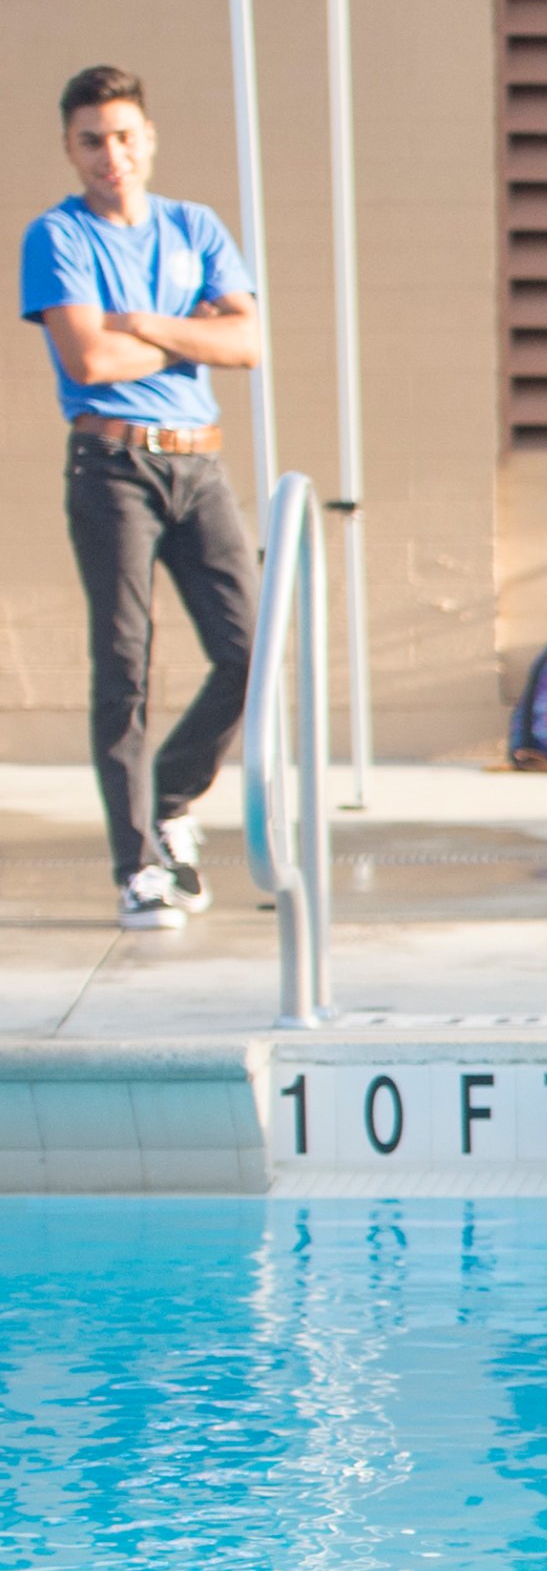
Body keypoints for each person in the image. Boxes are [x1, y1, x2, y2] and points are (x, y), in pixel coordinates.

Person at [19, 65, 260, 933]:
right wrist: (192, 336)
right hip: (112, 467)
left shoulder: (195, 227)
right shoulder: (57, 237)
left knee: (251, 648)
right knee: (125, 664)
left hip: (200, 466)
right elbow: (88, 362)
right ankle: (137, 867)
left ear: (149, 138)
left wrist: (144, 325)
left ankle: (172, 799)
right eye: (92, 140)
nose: (110, 156)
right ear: (70, 149)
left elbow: (251, 339)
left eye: (124, 136)